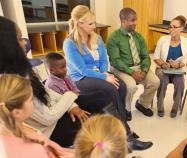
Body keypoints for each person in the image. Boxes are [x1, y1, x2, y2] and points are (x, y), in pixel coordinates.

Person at [63, 5, 152, 150]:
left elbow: (104, 60)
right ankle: (127, 137)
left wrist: (105, 73)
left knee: (121, 86)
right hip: (80, 79)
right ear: (79, 23)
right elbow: (82, 70)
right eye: (90, 23)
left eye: (94, 22)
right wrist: (104, 78)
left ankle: (122, 126)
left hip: (99, 74)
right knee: (110, 89)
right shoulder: (70, 43)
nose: (94, 26)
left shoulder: (96, 38)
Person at [0, 16, 86, 147]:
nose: (24, 43)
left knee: (91, 101)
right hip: (47, 129)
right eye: (19, 39)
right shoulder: (10, 83)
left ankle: (122, 137)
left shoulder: (21, 67)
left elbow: (47, 92)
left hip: (53, 112)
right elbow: (47, 118)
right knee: (88, 122)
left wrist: (72, 105)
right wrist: (70, 95)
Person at [0, 74, 74, 158]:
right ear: (17, 112)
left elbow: (56, 149)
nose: (33, 103)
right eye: (31, 100)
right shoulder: (29, 150)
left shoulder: (17, 124)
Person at [107, 8, 160, 118]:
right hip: (121, 69)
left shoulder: (138, 37)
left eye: (136, 20)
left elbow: (146, 56)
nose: (135, 23)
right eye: (132, 20)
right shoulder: (113, 37)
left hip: (139, 67)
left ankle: (142, 104)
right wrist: (131, 72)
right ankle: (126, 109)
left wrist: (144, 71)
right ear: (123, 21)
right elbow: (115, 60)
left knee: (155, 81)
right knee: (130, 86)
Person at [153, 15, 187, 118]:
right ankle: (160, 106)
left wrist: (178, 65)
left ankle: (175, 107)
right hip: (162, 69)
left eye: (175, 27)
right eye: (170, 26)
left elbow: (184, 61)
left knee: (180, 82)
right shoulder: (163, 39)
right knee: (163, 80)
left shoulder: (186, 42)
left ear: (181, 28)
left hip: (176, 70)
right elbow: (156, 57)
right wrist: (163, 64)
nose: (171, 29)